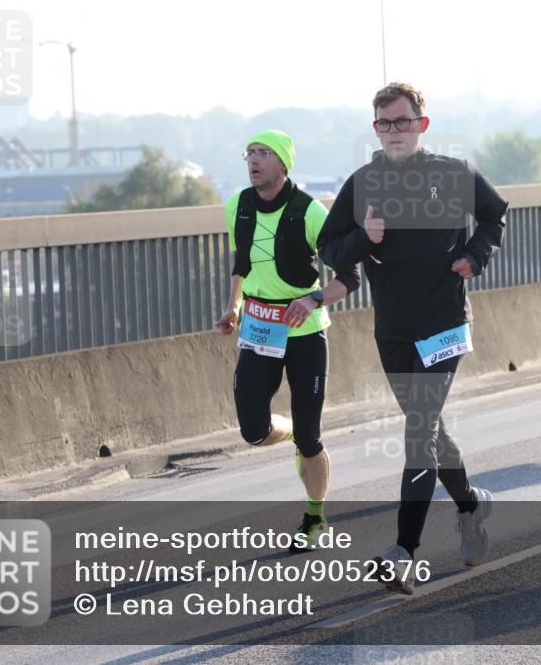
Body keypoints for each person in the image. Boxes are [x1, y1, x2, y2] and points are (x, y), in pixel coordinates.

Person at [318, 82, 509, 594]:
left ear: (422, 125)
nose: (393, 131)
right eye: (383, 123)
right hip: (393, 331)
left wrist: (477, 254)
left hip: (445, 325)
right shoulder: (363, 183)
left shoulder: (451, 174)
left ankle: (403, 551)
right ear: (375, 128)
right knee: (430, 432)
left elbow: (495, 213)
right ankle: (470, 506)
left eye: (402, 121)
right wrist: (364, 239)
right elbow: (328, 244)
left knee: (417, 433)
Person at [216, 129, 359, 553]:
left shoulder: (311, 212)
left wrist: (313, 297)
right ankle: (294, 429)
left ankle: (315, 516)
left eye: (264, 154)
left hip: (305, 334)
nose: (254, 160)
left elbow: (348, 278)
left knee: (311, 441)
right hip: (259, 328)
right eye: (250, 153)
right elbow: (241, 262)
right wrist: (234, 305)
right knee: (253, 430)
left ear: (283, 164)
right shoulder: (236, 206)